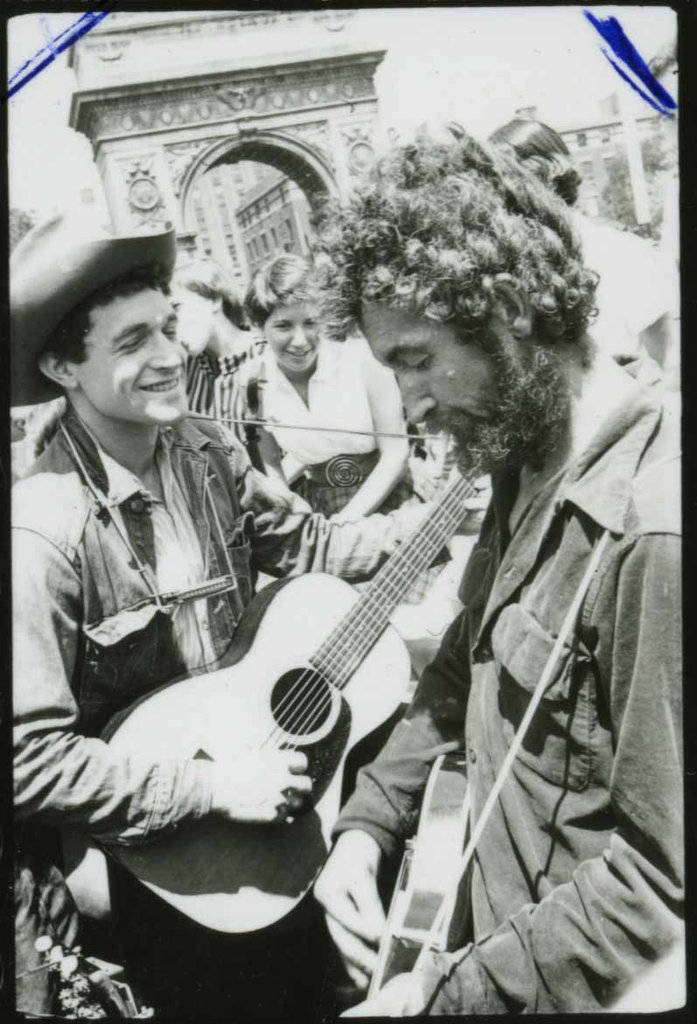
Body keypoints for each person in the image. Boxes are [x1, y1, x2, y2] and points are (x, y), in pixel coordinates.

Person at [10, 213, 430, 1017]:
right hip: (155, 878)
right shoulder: (40, 533)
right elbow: (27, 760)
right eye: (132, 343)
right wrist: (206, 786)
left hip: (274, 827)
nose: (170, 358)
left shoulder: (209, 452)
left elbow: (307, 549)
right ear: (63, 365)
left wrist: (424, 525)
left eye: (168, 329)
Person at [312, 128, 682, 1014]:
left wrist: (443, 999)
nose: (409, 403)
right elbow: (459, 666)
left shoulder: (651, 536)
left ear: (511, 307)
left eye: (416, 357)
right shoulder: (520, 454)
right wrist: (368, 823)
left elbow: (659, 891)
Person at [487, 117, 677, 379]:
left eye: (509, 185)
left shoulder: (622, 251)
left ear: (549, 176)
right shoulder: (505, 264)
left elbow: (668, 363)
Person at [239, 253, 414, 525]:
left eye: (310, 323)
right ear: (260, 326)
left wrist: (345, 522)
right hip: (321, 509)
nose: (300, 341)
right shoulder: (254, 382)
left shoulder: (362, 357)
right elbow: (271, 463)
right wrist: (294, 516)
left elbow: (395, 453)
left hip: (391, 498)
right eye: (283, 326)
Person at [170, 255, 257, 419]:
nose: (172, 326)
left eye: (177, 307)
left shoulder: (267, 355)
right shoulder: (185, 369)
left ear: (214, 300)